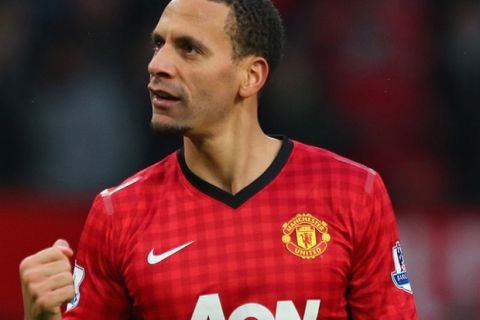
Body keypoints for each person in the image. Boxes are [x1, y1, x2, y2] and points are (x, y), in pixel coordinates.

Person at [19, 0, 418, 319]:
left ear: (251, 76)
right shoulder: (119, 213)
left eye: (188, 49)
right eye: (159, 44)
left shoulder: (351, 192)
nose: (157, 65)